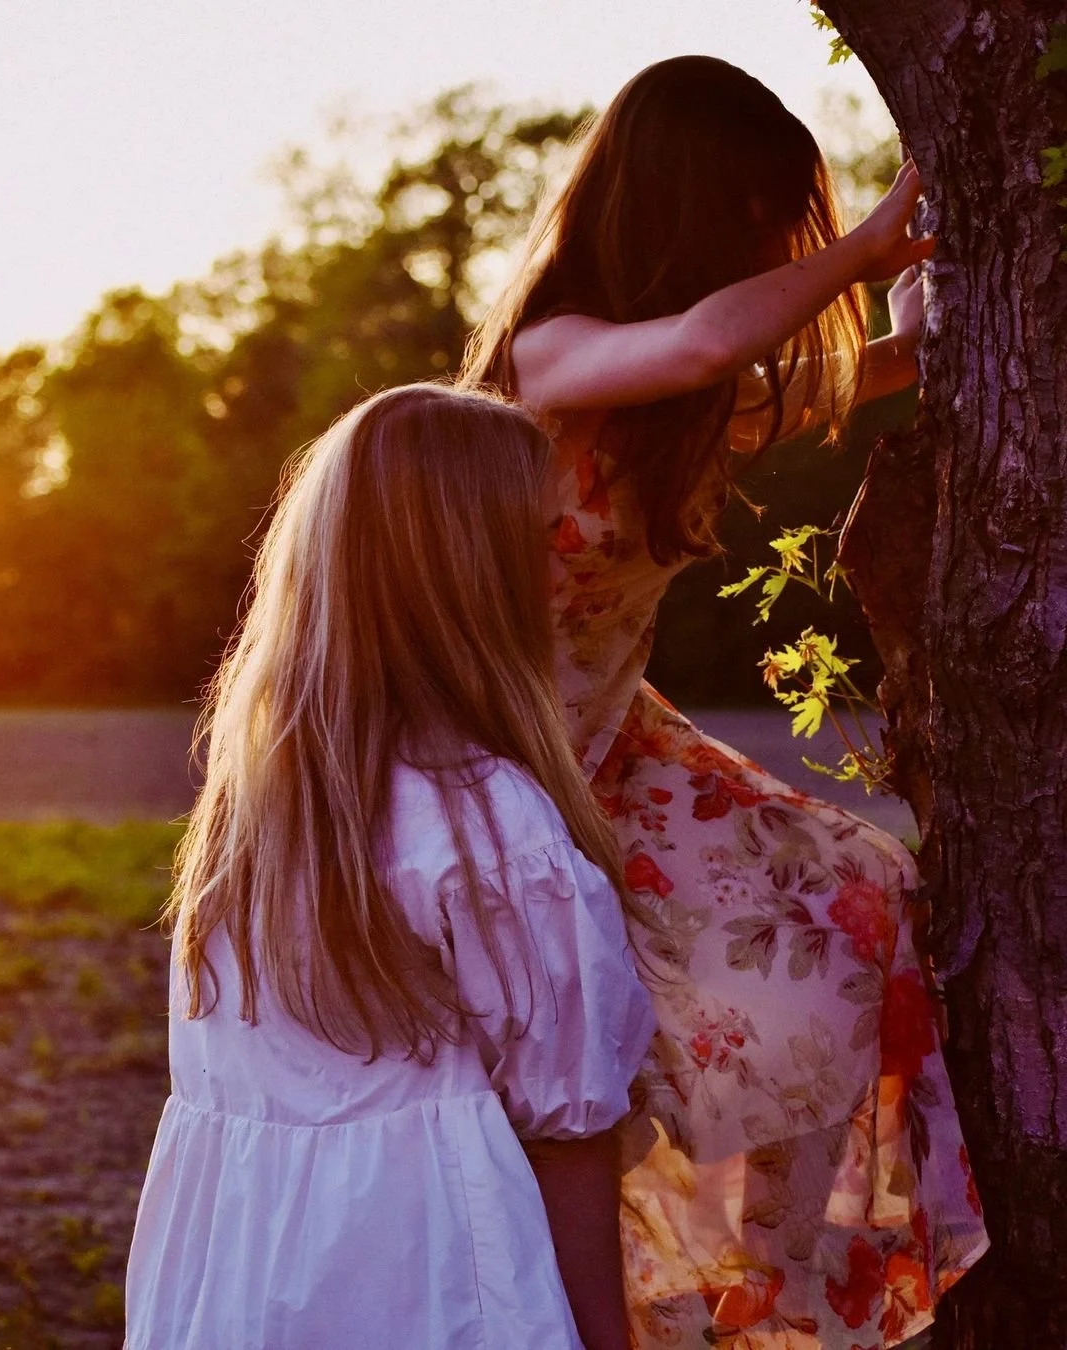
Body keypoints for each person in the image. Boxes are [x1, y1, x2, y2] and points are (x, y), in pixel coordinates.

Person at [461, 55, 989, 1349]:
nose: (775, 243)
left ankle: (773, 1277)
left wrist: (920, 315)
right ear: (690, 205)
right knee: (584, 1057)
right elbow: (707, 339)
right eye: (760, 214)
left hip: (617, 747)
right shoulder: (552, 351)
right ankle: (580, 1294)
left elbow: (815, 381)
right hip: (503, 763)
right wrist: (861, 252)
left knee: (861, 894)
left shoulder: (683, 398)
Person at [124, 383, 657, 1350]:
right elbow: (567, 1135)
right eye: (543, 536)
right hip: (429, 1286)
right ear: (466, 573)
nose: (568, 562)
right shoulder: (489, 828)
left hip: (240, 1289)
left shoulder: (256, 816)